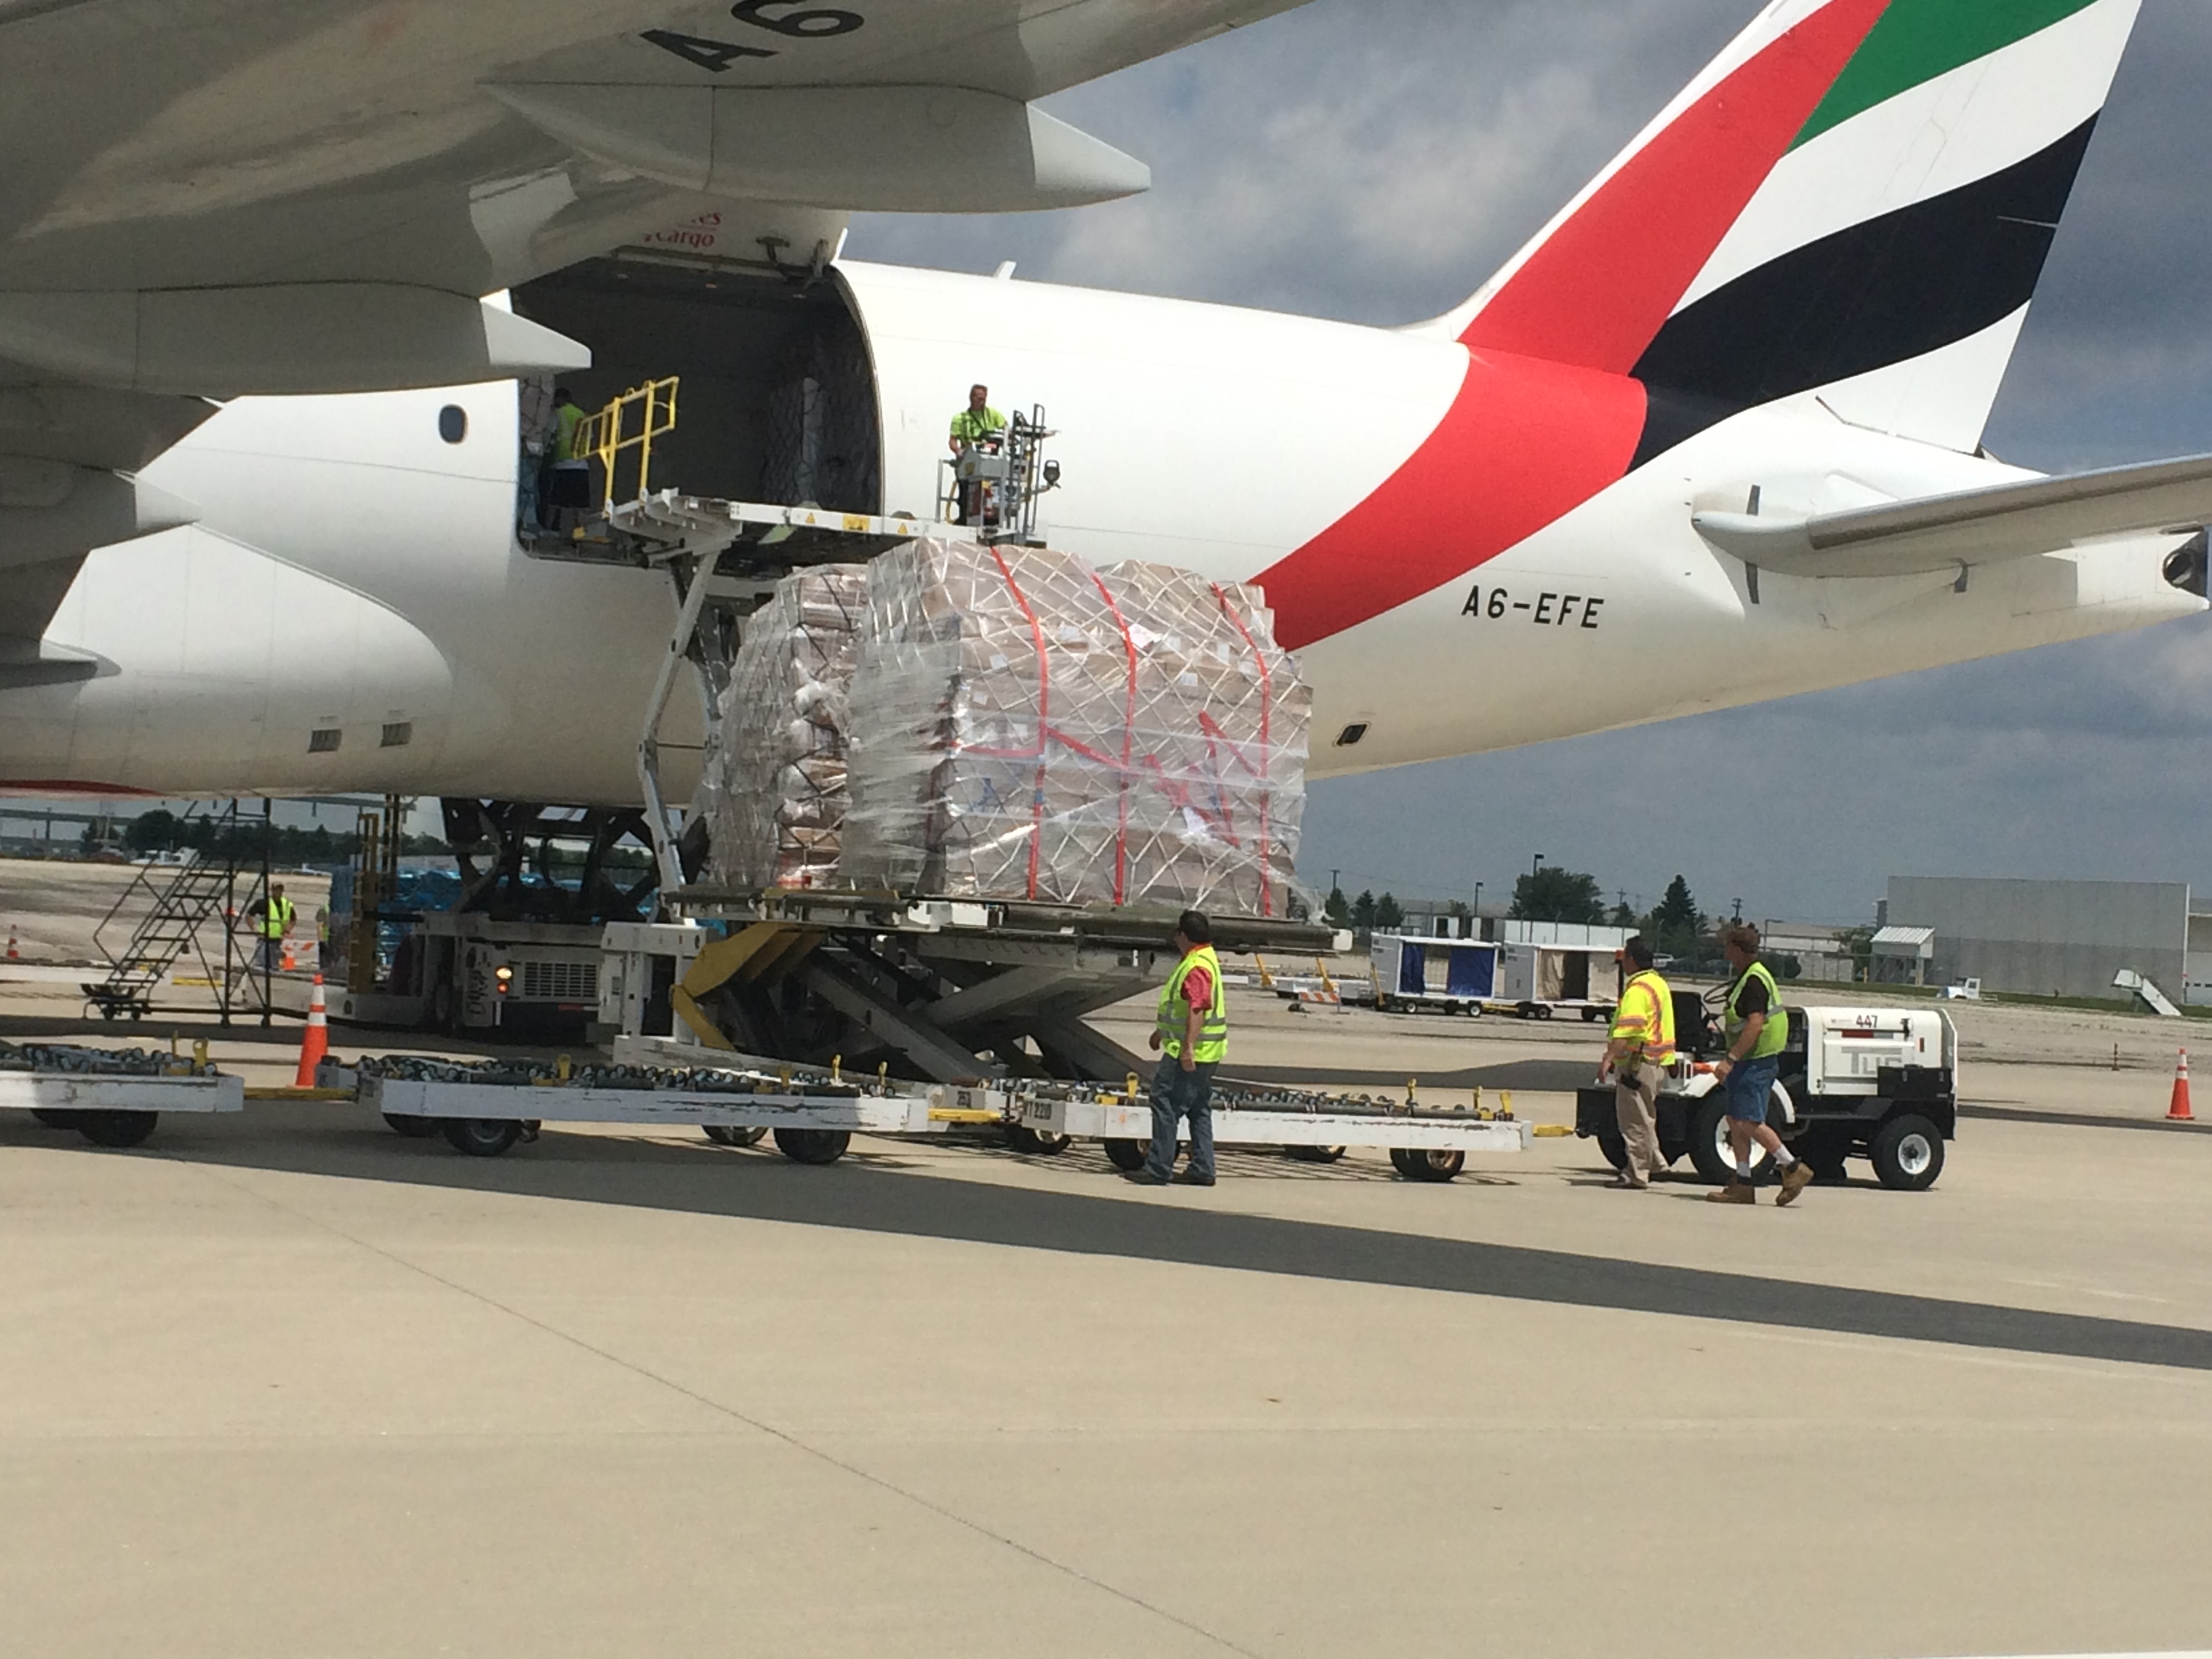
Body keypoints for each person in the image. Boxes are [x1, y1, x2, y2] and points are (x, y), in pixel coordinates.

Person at [1708, 922, 1814, 1206]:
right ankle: (1743, 1182)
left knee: (1749, 1121)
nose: (1725, 952)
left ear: (1738, 949)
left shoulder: (1753, 981)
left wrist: (1730, 1059)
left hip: (1754, 1060)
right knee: (1735, 1120)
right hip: (1750, 1059)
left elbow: (1755, 1024)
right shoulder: (1750, 976)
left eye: (1728, 946)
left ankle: (1792, 1167)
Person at [1128, 909, 1228, 1187]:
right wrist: (1161, 1032)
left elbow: (1197, 1008)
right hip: (1208, 1051)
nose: (1174, 939)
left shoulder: (1196, 965)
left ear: (1184, 935)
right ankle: (1203, 1167)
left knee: (1164, 1102)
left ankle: (1158, 1168)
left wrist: (1188, 1049)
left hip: (1190, 1053)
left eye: (1177, 933)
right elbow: (1180, 1007)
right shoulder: (1205, 958)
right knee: (1198, 1107)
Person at [1598, 936, 1673, 1189]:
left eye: (1624, 958)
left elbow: (1630, 1029)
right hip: (1656, 1062)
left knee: (1634, 1122)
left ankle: (1637, 1174)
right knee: (1646, 1118)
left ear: (1631, 959)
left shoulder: (1638, 989)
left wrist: (1608, 1058)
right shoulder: (1658, 984)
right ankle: (1654, 1162)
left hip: (1636, 1064)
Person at [947, 383, 1006, 525]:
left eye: (984, 399)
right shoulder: (960, 418)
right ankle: (964, 519)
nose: (982, 402)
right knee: (966, 495)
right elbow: (952, 441)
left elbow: (1006, 429)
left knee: (994, 492)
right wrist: (958, 451)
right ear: (971, 398)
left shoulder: (992, 414)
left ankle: (991, 519)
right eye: (979, 399)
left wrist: (1007, 438)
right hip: (969, 461)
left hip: (990, 460)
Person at [546, 386, 592, 533]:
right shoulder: (582, 414)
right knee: (580, 504)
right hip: (581, 464)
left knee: (554, 502)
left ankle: (548, 530)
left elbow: (549, 434)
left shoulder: (558, 414)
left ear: (559, 399)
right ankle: (579, 533)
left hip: (563, 463)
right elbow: (589, 437)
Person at [249, 882, 295, 974]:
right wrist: (255, 929)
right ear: (272, 891)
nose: (278, 892)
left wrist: (287, 930)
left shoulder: (287, 904)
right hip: (264, 939)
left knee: (275, 967)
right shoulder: (264, 903)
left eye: (280, 890)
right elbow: (249, 916)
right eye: (276, 890)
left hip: (277, 940)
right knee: (261, 966)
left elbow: (293, 919)